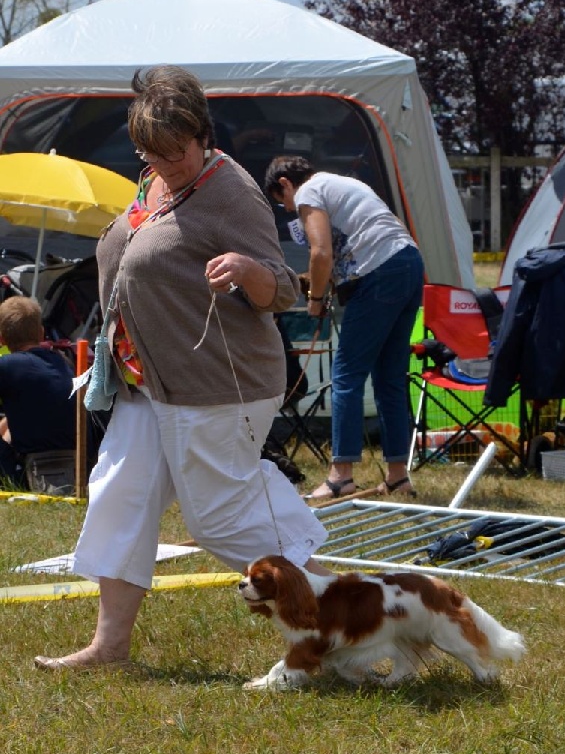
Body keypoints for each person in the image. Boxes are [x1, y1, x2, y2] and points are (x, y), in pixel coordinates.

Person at [34, 65, 330, 671]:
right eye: (151, 153)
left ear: (203, 135)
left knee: (219, 518)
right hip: (147, 382)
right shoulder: (152, 184)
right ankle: (109, 648)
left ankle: (339, 613)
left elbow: (282, 288)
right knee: (118, 497)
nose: (165, 164)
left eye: (176, 152)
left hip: (217, 383)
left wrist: (247, 271)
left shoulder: (233, 191)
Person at [264, 155, 424, 500]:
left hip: (380, 273)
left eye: (285, 204)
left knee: (347, 375)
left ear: (285, 184)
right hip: (408, 263)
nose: (292, 211)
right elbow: (386, 227)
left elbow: (321, 253)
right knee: (390, 378)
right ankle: (398, 476)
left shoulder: (309, 192)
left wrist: (316, 300)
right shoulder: (348, 184)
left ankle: (341, 476)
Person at [0, 297, 80, 488]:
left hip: (27, 468)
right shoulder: (62, 362)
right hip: (74, 462)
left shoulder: (6, 366)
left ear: (2, 339)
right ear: (41, 332)